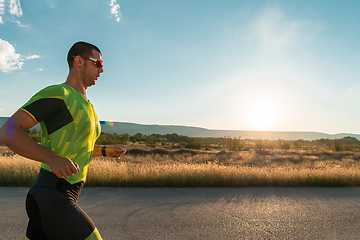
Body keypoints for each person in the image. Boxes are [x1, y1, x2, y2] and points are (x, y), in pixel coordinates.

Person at [0, 41, 126, 240]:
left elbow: (76, 146)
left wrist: (102, 150)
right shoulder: (59, 94)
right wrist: (51, 158)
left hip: (57, 197)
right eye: (98, 63)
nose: (102, 69)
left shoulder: (88, 105)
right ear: (79, 61)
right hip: (51, 196)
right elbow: (8, 131)